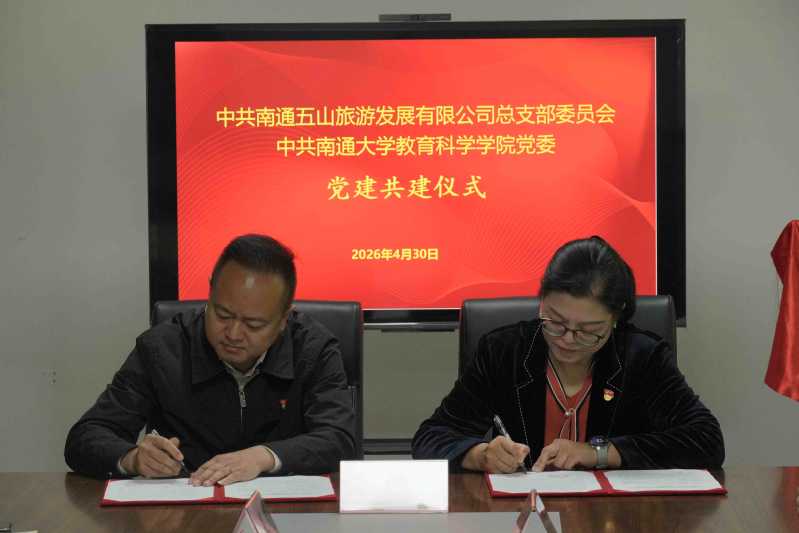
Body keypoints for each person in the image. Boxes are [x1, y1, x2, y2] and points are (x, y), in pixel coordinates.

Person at [412, 236, 724, 473]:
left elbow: (707, 440)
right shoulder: (503, 352)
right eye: (555, 322)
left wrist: (599, 453)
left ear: (616, 318)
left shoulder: (642, 358)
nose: (568, 340)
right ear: (541, 301)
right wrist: (480, 455)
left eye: (589, 330)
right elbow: (430, 437)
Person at [65, 234, 355, 484]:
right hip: (184, 512)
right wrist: (133, 458)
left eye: (253, 324)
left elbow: (338, 439)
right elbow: (86, 436)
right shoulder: (162, 349)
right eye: (222, 314)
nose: (233, 334)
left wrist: (263, 457)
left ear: (283, 320)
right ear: (210, 293)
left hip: (284, 515)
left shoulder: (313, 350)